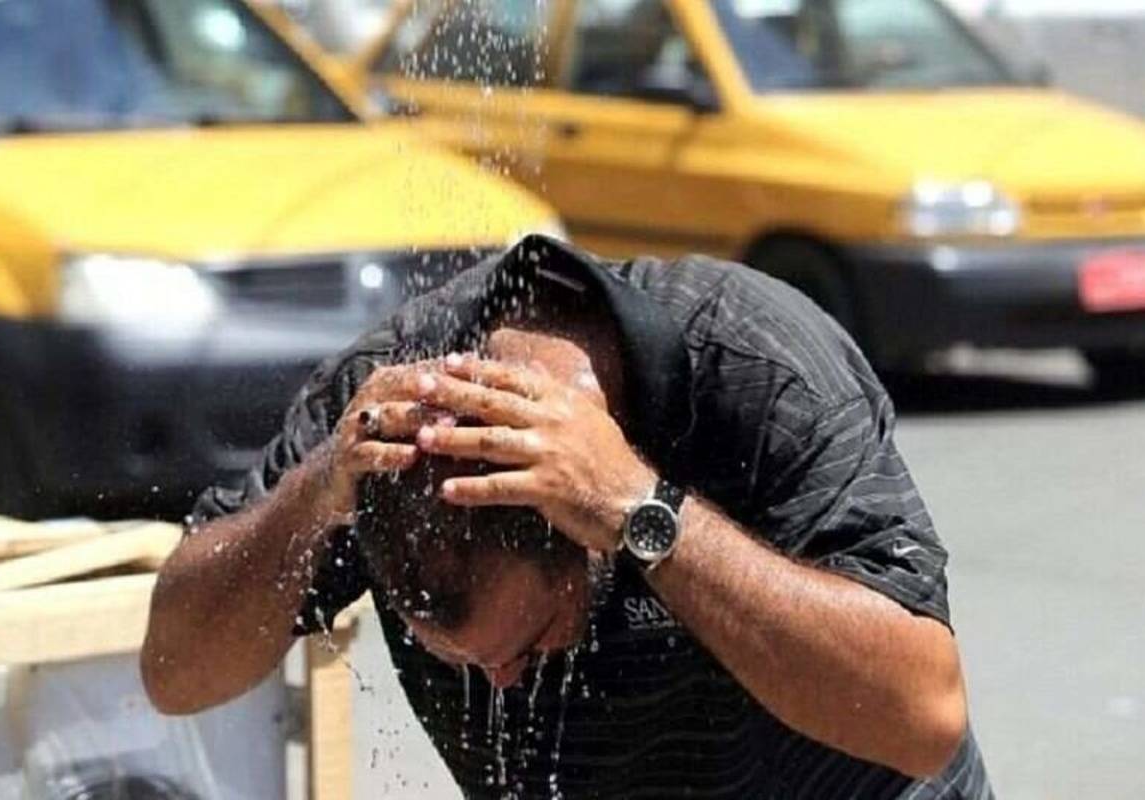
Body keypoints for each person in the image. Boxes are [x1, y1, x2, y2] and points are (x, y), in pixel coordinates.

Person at [141, 236, 994, 799]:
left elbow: (920, 716)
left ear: (585, 540)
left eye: (528, 646)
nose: (498, 687)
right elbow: (175, 672)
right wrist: (313, 495)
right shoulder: (385, 416)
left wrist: (644, 511)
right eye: (459, 663)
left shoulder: (760, 370)